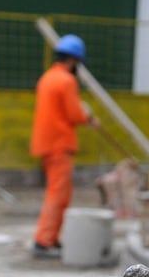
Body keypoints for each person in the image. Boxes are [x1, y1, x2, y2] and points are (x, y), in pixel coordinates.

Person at [30, 34, 100, 258]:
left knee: (60, 192)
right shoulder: (67, 81)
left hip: (46, 143)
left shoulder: (47, 78)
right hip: (59, 143)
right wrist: (89, 117)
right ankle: (44, 241)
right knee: (57, 194)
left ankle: (52, 238)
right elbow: (73, 113)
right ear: (74, 60)